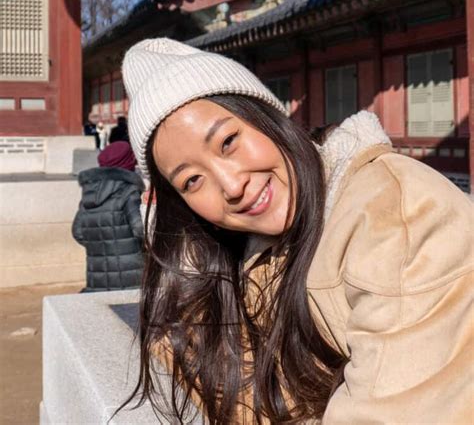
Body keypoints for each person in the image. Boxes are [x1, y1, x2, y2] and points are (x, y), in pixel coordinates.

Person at [120, 38, 472, 424]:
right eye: (192, 181)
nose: (231, 185)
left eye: (228, 142)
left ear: (268, 118)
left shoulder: (397, 220)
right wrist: (185, 258)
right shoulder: (258, 253)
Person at [72, 141, 145, 292]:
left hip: (97, 279)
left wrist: (103, 245)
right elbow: (140, 229)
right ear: (128, 162)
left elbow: (78, 232)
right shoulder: (129, 191)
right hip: (132, 279)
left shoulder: (89, 193)